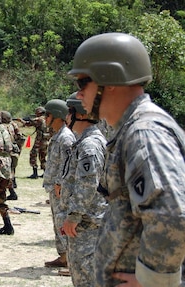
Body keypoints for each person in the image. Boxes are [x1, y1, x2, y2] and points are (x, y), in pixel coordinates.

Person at [68, 32, 185, 287]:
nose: (78, 95)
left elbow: (173, 216)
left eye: (81, 83)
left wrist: (154, 280)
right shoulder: (132, 129)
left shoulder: (145, 132)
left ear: (108, 79)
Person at [60, 92, 107, 285]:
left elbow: (87, 184)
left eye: (69, 112)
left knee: (86, 275)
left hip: (87, 223)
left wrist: (74, 215)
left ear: (79, 114)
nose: (66, 117)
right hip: (86, 221)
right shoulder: (86, 141)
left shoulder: (89, 145)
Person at [42, 99, 76, 269]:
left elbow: (69, 164)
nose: (45, 119)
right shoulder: (58, 136)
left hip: (60, 189)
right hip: (55, 189)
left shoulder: (66, 137)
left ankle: (70, 258)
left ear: (56, 116)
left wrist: (59, 184)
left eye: (47, 115)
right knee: (58, 223)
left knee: (63, 222)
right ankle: (63, 257)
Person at [19, 106, 51, 179]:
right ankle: (45, 172)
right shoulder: (47, 119)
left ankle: (35, 173)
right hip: (47, 141)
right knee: (43, 157)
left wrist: (22, 121)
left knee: (33, 155)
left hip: (40, 141)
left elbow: (29, 123)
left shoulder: (39, 119)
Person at [0, 110, 25, 200]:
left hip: (6, 151)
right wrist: (17, 148)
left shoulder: (1, 127)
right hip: (13, 151)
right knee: (11, 170)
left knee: (6, 172)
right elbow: (21, 137)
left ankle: (12, 191)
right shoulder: (13, 125)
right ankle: (13, 186)